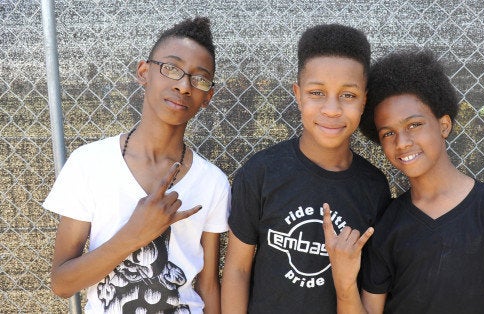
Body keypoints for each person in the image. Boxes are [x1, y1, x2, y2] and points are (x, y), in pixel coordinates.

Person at [323, 50, 484, 313]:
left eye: (414, 125)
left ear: (443, 125)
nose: (402, 142)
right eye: (388, 133)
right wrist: (345, 281)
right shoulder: (388, 223)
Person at [43, 17, 229, 313]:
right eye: (171, 68)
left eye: (199, 78)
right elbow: (62, 284)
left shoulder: (213, 182)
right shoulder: (89, 163)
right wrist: (135, 234)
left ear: (208, 96)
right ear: (144, 72)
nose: (183, 85)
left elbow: (207, 286)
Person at [221, 24, 391, 314]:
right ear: (298, 94)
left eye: (348, 95)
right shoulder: (262, 172)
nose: (332, 109)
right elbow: (237, 269)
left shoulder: (374, 188)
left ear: (365, 99)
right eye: (317, 92)